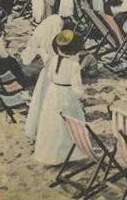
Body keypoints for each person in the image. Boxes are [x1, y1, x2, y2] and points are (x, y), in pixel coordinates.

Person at [33, 30, 87, 165]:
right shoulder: (74, 65)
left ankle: (49, 153)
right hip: (67, 94)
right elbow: (77, 87)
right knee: (67, 124)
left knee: (51, 122)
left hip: (54, 91)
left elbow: (50, 76)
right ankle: (67, 154)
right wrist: (82, 96)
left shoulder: (54, 59)